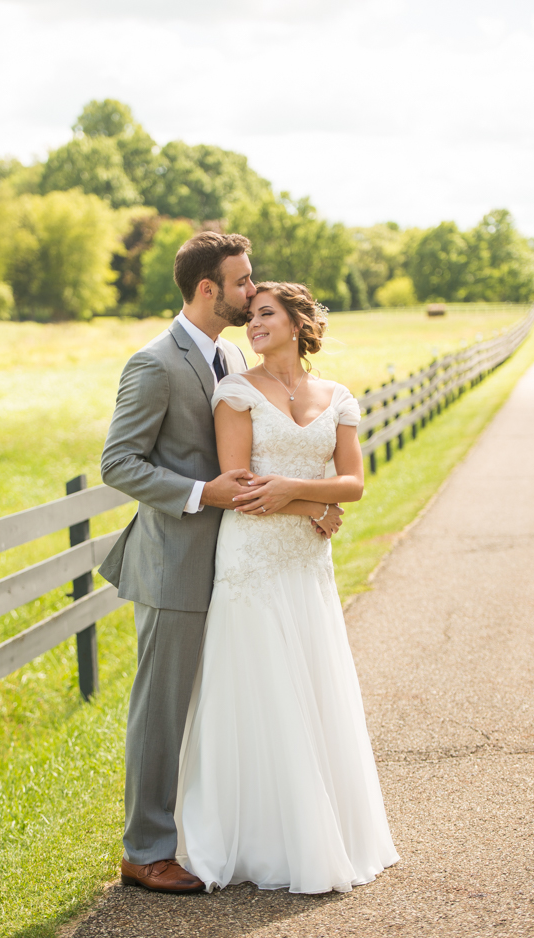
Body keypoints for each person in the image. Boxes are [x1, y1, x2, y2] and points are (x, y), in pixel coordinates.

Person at [99, 235, 345, 894]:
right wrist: (199, 493)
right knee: (162, 709)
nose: (250, 293)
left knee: (231, 702)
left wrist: (306, 507)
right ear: (208, 289)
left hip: (237, 556)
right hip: (174, 561)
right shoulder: (155, 364)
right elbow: (118, 463)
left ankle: (230, 831)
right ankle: (145, 850)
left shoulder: (230, 355)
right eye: (242, 283)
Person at [174, 281, 399, 894]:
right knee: (260, 686)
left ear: (299, 323)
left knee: (313, 679)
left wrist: (306, 502)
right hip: (253, 556)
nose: (253, 325)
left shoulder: (337, 396)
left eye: (265, 314)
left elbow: (353, 483)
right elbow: (241, 486)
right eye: (250, 317)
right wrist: (308, 510)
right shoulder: (236, 391)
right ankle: (259, 840)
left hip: (307, 564)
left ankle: (323, 831)